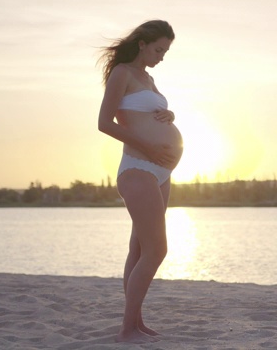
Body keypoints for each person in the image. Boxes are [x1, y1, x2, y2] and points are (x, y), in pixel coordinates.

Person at [97, 20, 184, 343]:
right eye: (159, 49)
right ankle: (126, 329)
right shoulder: (122, 72)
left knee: (139, 248)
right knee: (156, 249)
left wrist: (169, 116)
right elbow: (104, 122)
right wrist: (149, 147)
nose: (162, 56)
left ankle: (136, 322)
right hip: (138, 168)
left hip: (161, 171)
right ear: (143, 44)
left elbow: (148, 111)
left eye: (166, 51)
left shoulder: (148, 78)